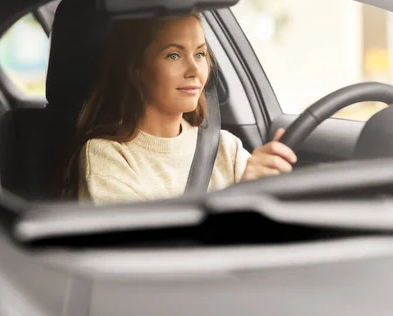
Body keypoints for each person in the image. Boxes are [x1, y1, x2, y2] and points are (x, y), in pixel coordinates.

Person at [68, 13, 296, 205]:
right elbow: (141, 251)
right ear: (136, 69)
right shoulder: (107, 155)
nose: (194, 70)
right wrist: (240, 198)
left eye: (200, 54)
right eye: (174, 55)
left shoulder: (226, 148)